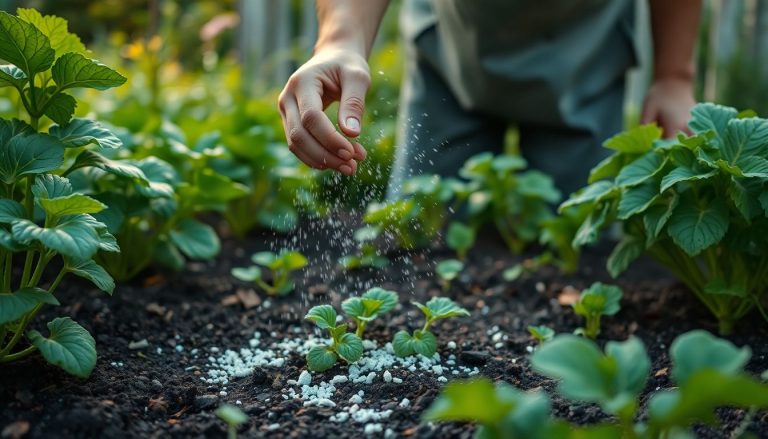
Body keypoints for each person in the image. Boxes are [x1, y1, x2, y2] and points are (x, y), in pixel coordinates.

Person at [277, 0, 700, 198]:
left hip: (585, 57)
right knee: (418, 229)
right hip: (451, 52)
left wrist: (674, 76)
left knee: (581, 248)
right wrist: (340, 40)